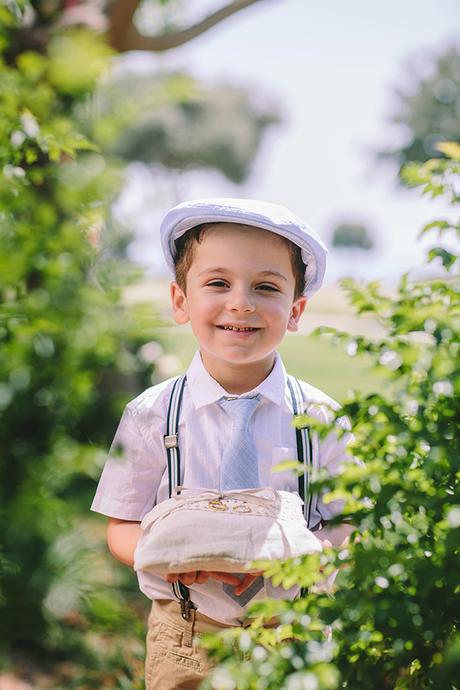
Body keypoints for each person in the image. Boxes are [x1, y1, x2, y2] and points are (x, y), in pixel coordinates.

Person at [91, 198, 355, 690]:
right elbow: (121, 524)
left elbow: (346, 524)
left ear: (295, 310)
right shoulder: (151, 415)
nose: (241, 302)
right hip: (185, 636)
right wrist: (172, 556)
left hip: (294, 636)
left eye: (266, 287)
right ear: (179, 300)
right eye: (217, 283)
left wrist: (303, 556)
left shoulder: (320, 420)